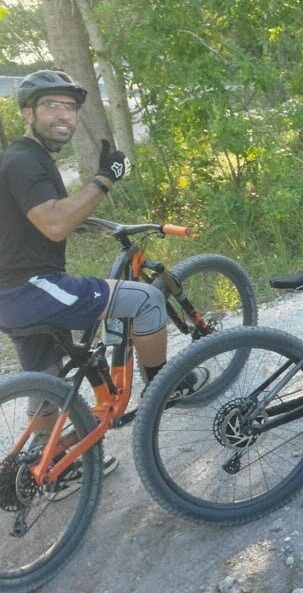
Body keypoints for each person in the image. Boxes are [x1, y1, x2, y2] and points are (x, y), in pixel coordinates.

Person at [0, 70, 209, 499]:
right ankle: (164, 386)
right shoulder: (25, 159)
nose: (63, 114)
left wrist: (87, 213)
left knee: (45, 375)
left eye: (70, 107)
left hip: (10, 294)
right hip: (32, 287)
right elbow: (55, 223)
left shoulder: (24, 158)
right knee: (147, 299)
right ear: (27, 113)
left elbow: (40, 217)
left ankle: (42, 466)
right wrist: (105, 178)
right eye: (50, 105)